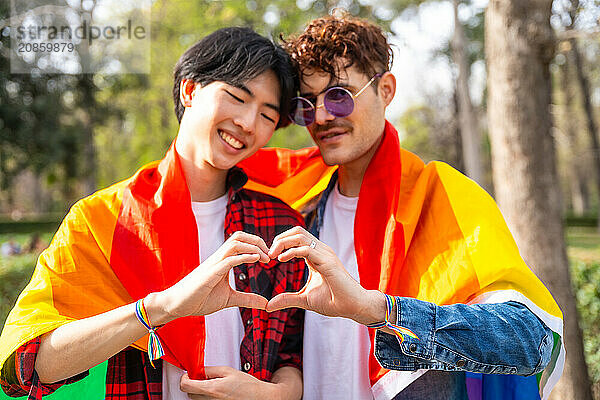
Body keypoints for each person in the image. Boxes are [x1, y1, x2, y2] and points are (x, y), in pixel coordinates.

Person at [238, 15, 565, 400]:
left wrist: (380, 310)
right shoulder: (294, 200)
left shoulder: (441, 194)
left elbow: (529, 339)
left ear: (386, 90)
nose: (323, 116)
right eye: (307, 104)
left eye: (339, 95)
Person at [0, 27, 304, 400]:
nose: (248, 123)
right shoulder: (103, 220)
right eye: (237, 98)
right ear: (189, 90)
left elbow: (292, 355)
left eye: (267, 116)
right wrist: (161, 307)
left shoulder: (278, 225)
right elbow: (30, 367)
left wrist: (269, 395)